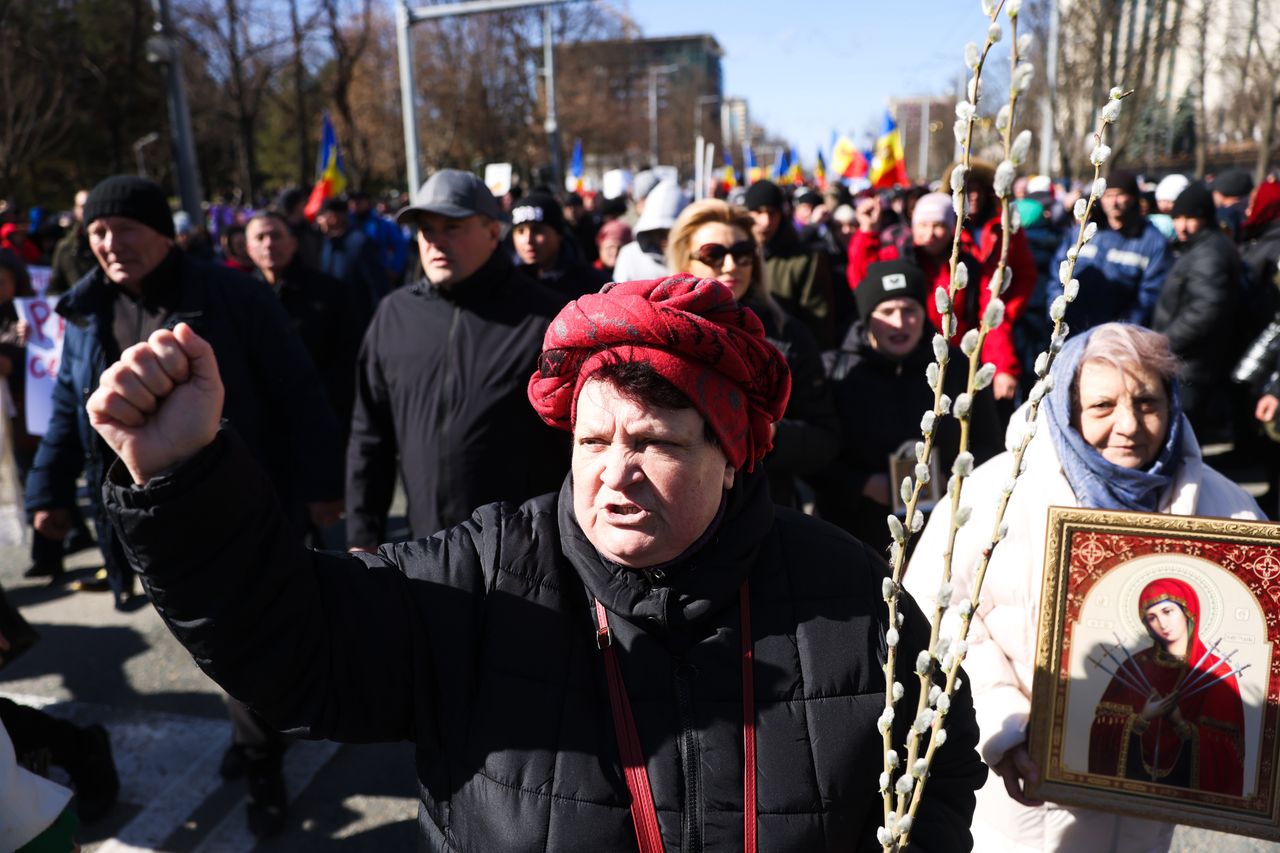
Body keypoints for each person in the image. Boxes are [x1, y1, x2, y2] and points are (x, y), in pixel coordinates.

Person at [91, 274, 986, 851]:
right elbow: (293, 642)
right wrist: (183, 481)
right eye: (592, 439)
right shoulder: (483, 576)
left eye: (656, 442)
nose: (614, 473)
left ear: (733, 452)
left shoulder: (847, 591)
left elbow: (939, 758)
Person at [23, 175, 345, 836]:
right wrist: (47, 492)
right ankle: (256, 725)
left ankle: (262, 761)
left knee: (245, 624)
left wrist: (321, 485)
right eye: (98, 233)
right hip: (148, 518)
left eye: (124, 229)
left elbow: (297, 391)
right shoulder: (87, 313)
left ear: (163, 232)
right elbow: (67, 410)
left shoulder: (232, 295)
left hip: (242, 500)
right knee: (213, 635)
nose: (110, 244)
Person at [905, 322, 1262, 852]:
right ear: (1066, 410)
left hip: (1150, 802)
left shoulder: (1226, 509)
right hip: (1024, 806)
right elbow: (936, 619)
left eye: (1147, 401)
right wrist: (1007, 725)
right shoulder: (996, 494)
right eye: (1102, 407)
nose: (1129, 425)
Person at [346, 169, 570, 549]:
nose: (436, 242)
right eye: (426, 230)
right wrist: (362, 536)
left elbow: (575, 445)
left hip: (526, 560)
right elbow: (370, 436)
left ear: (492, 232)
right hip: (424, 555)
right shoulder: (393, 316)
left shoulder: (546, 319)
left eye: (452, 227)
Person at [666, 198, 840, 508]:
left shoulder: (789, 333)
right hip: (676, 510)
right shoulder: (661, 331)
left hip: (766, 511)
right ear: (685, 261)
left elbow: (824, 440)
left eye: (743, 253)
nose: (731, 265)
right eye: (713, 254)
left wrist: (766, 432)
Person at [819, 259, 1000, 549]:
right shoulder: (835, 372)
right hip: (855, 532)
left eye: (909, 311)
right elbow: (816, 454)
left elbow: (990, 446)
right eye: (887, 311)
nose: (900, 323)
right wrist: (862, 484)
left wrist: (952, 477)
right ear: (868, 317)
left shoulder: (956, 370)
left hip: (942, 530)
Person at [1088, 577, 1244, 795]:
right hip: (1135, 788)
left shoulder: (1217, 672)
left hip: (1186, 791)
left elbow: (1228, 753)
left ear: (1187, 612)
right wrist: (1142, 719)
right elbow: (1102, 732)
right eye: (1152, 617)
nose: (1162, 623)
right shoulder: (1133, 667)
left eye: (1168, 611)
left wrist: (1180, 724)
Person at [244, 211, 367, 438]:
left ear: (293, 243)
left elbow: (350, 361)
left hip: (324, 424)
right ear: (248, 249)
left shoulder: (331, 293)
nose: (269, 244)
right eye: (260, 237)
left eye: (276, 235)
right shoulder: (239, 299)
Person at [1151, 182, 1245, 438]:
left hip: (1191, 364)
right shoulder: (1199, 247)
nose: (1181, 225)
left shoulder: (1209, 253)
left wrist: (1164, 343)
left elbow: (1205, 311)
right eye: (1177, 218)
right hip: (1188, 361)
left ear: (1205, 217)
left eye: (1190, 218)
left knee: (1184, 439)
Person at [1047, 169, 1172, 332]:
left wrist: (1120, 334)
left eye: (1119, 195)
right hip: (1072, 331)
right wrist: (1057, 313)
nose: (1113, 202)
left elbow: (1150, 296)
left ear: (1133, 197)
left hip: (1117, 338)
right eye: (1108, 195)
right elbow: (1057, 274)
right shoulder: (1084, 232)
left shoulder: (1152, 241)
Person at [745, 180, 836, 349]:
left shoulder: (804, 260)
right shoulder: (734, 259)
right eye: (758, 212)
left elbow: (818, 322)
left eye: (772, 213)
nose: (765, 221)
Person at [509, 192, 609, 303]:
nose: (528, 240)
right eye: (520, 231)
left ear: (558, 234)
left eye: (537, 231)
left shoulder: (595, 287)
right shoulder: (505, 285)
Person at [315, 197, 386, 312]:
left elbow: (376, 286)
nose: (318, 221)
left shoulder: (361, 243)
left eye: (321, 216)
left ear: (333, 217)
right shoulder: (325, 243)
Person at [611, 179, 686, 281]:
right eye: (657, 231)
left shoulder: (694, 260)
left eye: (669, 231)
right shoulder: (629, 256)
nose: (663, 237)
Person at [47, 189, 95, 296]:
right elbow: (55, 287)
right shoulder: (65, 247)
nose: (87, 210)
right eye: (83, 206)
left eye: (91, 205)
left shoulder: (110, 242)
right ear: (75, 210)